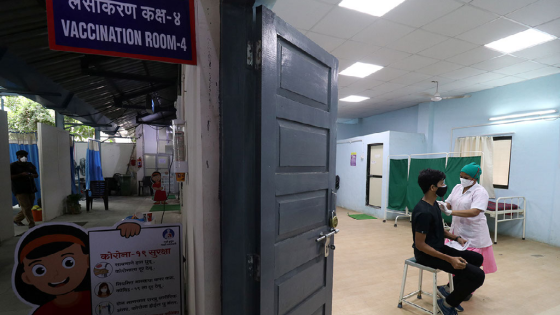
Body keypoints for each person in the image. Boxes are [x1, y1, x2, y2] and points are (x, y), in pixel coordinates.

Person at [13, 222, 141, 315]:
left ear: (88, 260)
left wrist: (124, 234)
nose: (56, 274)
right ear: (27, 278)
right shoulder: (44, 312)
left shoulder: (101, 296)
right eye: (40, 270)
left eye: (68, 262)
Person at [412, 169, 485, 315]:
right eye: (442, 183)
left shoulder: (434, 205)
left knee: (477, 258)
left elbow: (439, 230)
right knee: (478, 276)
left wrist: (456, 238)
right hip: (426, 254)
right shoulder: (423, 212)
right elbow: (420, 244)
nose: (445, 185)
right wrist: (450, 259)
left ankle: (447, 291)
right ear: (433, 187)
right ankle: (446, 304)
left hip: (438, 248)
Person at [437, 162, 497, 299]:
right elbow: (449, 201)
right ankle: (452, 287)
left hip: (473, 234)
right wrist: (443, 205)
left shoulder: (480, 192)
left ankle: (466, 291)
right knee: (457, 262)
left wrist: (451, 212)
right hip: (458, 231)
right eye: (461, 176)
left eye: (466, 177)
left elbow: (475, 211)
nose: (462, 179)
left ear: (474, 178)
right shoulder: (458, 187)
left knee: (469, 264)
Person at [12, 150, 39, 228]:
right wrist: (21, 174)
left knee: (29, 206)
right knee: (26, 207)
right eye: (21, 156)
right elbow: (10, 177)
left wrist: (31, 175)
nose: (24, 158)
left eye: (25, 156)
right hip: (19, 189)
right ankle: (32, 224)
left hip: (30, 188)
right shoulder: (13, 166)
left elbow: (36, 175)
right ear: (18, 157)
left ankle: (16, 219)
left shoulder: (29, 165)